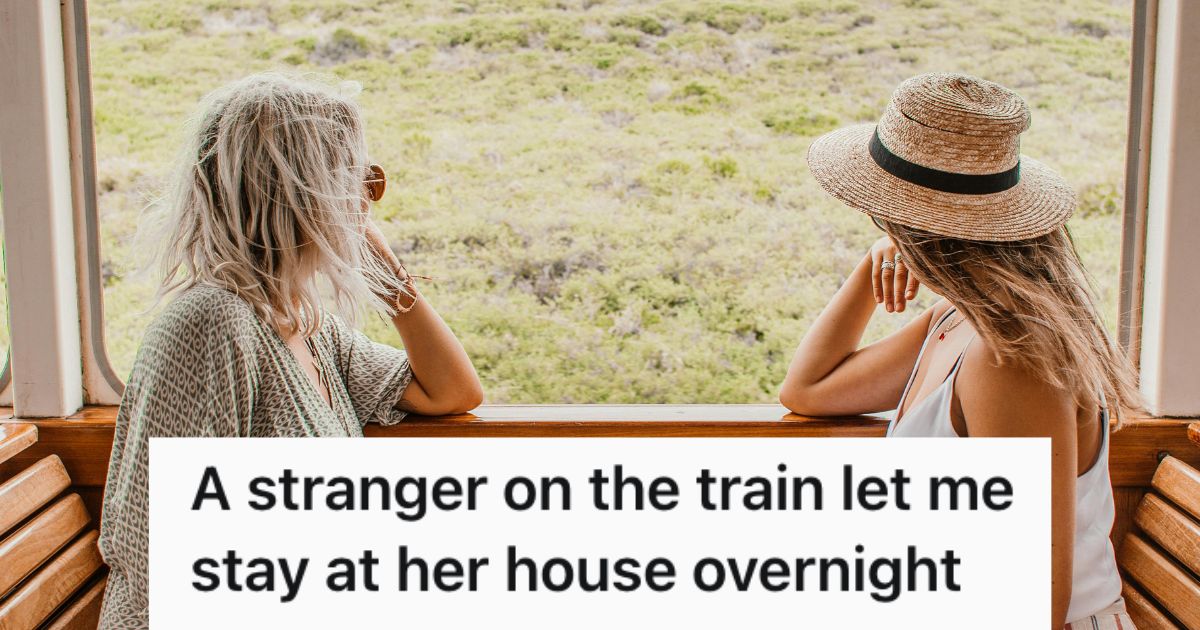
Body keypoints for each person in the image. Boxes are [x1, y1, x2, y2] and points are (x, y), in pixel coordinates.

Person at [97, 73, 484, 628]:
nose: (367, 200)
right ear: (299, 195)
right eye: (356, 180)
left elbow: (452, 390)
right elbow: (166, 564)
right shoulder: (210, 327)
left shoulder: (304, 325)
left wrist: (383, 268)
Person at [779, 73, 1139, 629]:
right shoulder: (957, 321)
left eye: (883, 216)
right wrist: (870, 265)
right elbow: (809, 390)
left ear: (916, 226)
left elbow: (1034, 605)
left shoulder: (1013, 358)